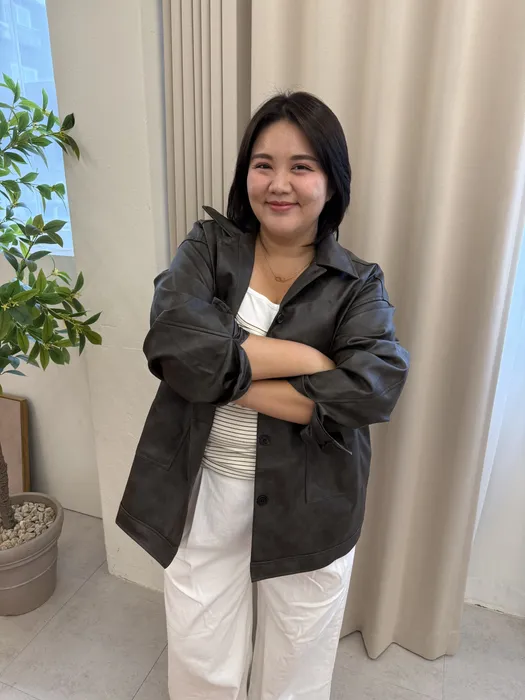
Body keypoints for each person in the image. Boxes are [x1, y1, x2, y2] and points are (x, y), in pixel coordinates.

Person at [117, 91, 409, 699]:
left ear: (331, 181)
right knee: (202, 664)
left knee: (294, 673)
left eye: (301, 166)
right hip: (202, 489)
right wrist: (307, 363)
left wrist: (219, 375)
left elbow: (369, 389)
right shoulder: (207, 246)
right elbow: (171, 342)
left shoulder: (359, 284)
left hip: (312, 499)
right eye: (263, 164)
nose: (279, 184)